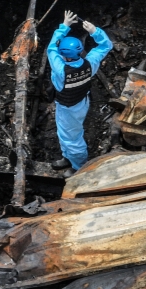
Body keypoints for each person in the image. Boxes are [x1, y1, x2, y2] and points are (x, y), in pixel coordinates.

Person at [47, 10, 113, 178]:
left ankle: (78, 167)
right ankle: (67, 157)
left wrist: (64, 26)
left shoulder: (61, 68)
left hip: (68, 107)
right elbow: (106, 45)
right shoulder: (90, 63)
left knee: (73, 138)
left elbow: (51, 48)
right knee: (64, 133)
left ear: (65, 57)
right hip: (81, 101)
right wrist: (94, 31)